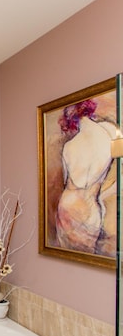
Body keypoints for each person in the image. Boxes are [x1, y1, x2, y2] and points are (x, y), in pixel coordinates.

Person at [55, 99, 117, 256]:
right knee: (87, 256)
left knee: (68, 259)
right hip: (91, 209)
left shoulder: (70, 147)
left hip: (68, 206)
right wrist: (103, 195)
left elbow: (70, 180)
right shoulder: (109, 132)